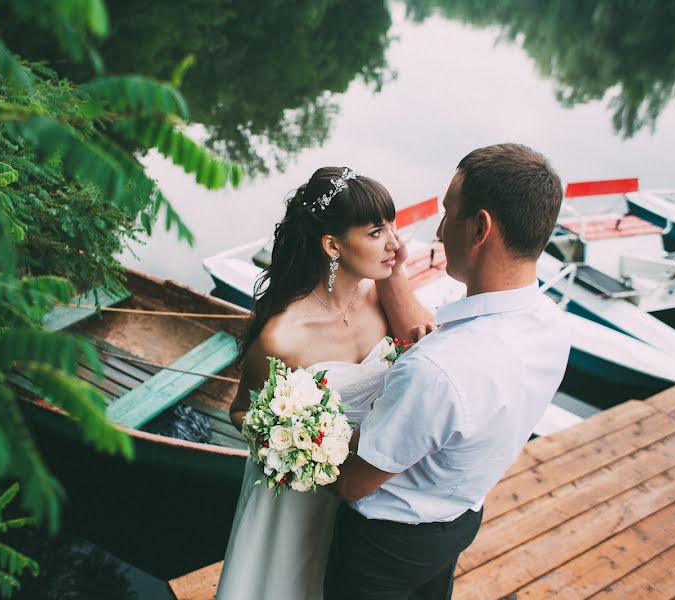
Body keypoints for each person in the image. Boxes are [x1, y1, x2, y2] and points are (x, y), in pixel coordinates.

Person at [325, 143, 571, 600]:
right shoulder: (551, 326)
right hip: (456, 522)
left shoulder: (438, 370)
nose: (438, 230)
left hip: (383, 550)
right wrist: (393, 271)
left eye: (448, 213)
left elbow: (354, 484)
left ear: (480, 227)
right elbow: (439, 344)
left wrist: (304, 422)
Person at [217, 167, 432, 600]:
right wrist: (298, 446)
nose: (397, 243)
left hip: (368, 487)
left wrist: (396, 272)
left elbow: (421, 340)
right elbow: (240, 409)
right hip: (300, 494)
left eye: (393, 225)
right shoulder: (282, 336)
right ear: (332, 246)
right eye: (376, 232)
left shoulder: (381, 295)